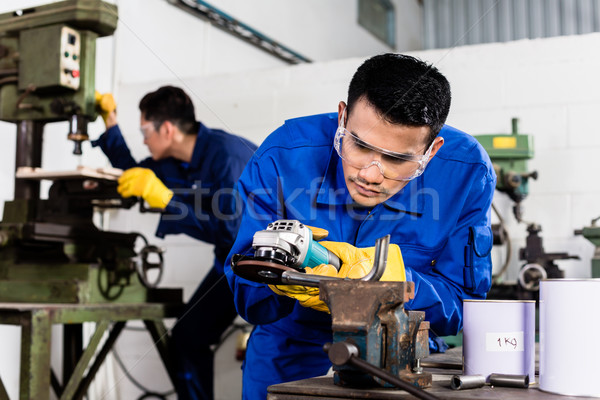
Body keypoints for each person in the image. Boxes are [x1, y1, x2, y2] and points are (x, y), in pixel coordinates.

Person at [224, 53, 496, 399]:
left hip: (403, 354)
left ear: (431, 151)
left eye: (397, 159)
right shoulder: (283, 155)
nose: (370, 174)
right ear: (342, 117)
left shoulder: (466, 171)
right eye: (360, 145)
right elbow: (248, 297)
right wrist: (285, 280)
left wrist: (394, 282)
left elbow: (464, 307)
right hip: (289, 348)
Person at [93, 86, 257, 400]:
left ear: (167, 129)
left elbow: (230, 233)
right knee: (187, 337)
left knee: (263, 348)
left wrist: (167, 200)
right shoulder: (173, 161)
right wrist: (110, 123)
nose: (143, 139)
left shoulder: (226, 156)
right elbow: (134, 175)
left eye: (145, 131)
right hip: (229, 261)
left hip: (260, 262)